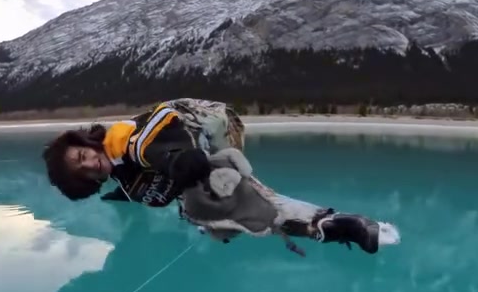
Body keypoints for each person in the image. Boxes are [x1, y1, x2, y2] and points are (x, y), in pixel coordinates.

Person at [42, 97, 398, 254]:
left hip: (211, 120)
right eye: (82, 171)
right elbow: (163, 194)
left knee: (222, 187)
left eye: (82, 155)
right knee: (220, 210)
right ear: (86, 183)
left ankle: (339, 223)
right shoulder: (129, 184)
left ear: (85, 142)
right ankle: (327, 227)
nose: (89, 163)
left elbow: (156, 132)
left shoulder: (120, 139)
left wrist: (175, 161)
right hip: (200, 151)